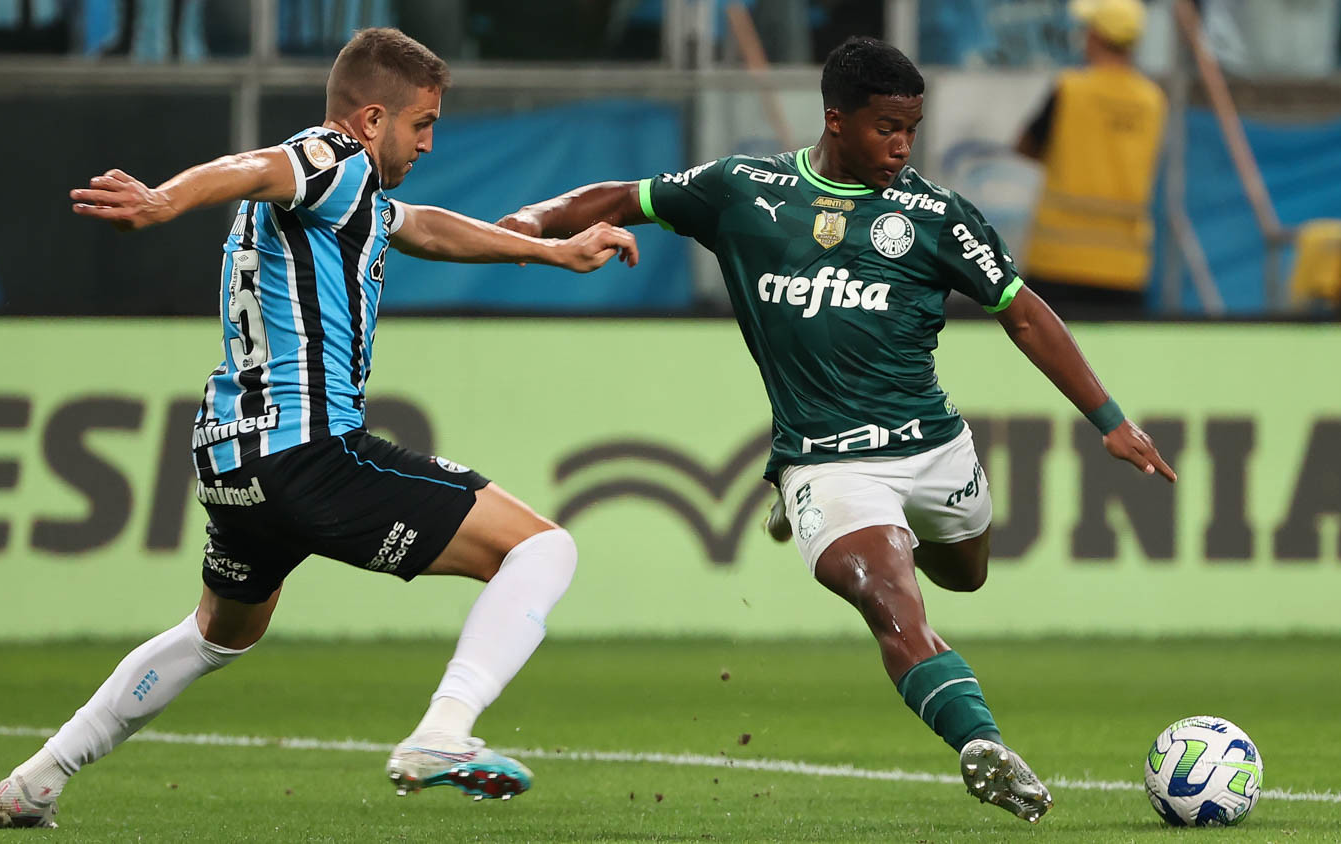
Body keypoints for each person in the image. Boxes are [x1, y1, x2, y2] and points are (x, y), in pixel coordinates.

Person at [497, 36, 1176, 825]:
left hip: (932, 450)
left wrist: (1111, 421)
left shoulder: (936, 217)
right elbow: (622, 197)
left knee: (966, 574)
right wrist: (527, 231)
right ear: (836, 120)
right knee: (893, 601)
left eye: (912, 129)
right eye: (887, 126)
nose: (902, 146)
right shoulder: (743, 191)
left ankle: (855, 525)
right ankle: (982, 746)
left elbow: (1023, 314)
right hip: (827, 462)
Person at [0, 27, 638, 828]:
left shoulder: (354, 196)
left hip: (233, 459)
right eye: (421, 123)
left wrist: (552, 252)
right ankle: (442, 732)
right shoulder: (331, 158)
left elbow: (421, 226)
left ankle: (36, 780)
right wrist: (163, 202)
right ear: (368, 119)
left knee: (218, 635)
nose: (430, 140)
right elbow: (254, 167)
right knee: (541, 549)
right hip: (310, 453)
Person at [1015, 0, 1166, 319]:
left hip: (1058, 259)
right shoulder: (1153, 101)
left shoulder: (1070, 89)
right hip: (1125, 265)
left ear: (1095, 36)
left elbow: (1025, 145)